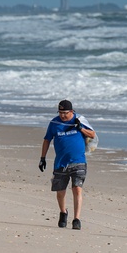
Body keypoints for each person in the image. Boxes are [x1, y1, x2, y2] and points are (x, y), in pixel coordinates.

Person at [39, 99, 96, 230]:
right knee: (60, 191)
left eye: (65, 113)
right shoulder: (54, 123)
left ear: (71, 111)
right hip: (61, 162)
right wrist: (43, 158)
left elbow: (92, 134)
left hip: (79, 161)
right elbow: (47, 140)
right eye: (60, 113)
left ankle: (76, 219)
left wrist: (80, 128)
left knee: (77, 188)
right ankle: (63, 212)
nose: (63, 115)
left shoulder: (79, 120)